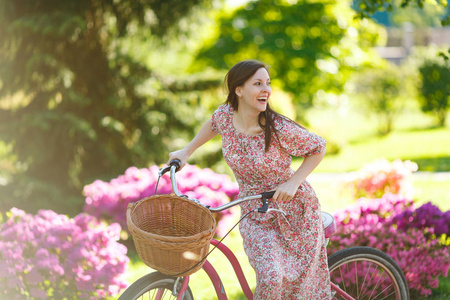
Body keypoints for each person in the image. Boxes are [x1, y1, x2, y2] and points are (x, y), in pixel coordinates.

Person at [168, 60, 331, 299]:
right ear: (239, 90)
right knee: (271, 276)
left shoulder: (277, 128)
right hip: (255, 210)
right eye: (258, 83)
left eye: (268, 83)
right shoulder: (226, 116)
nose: (267, 89)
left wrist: (293, 182)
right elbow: (212, 125)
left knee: (292, 285)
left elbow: (319, 147)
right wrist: (187, 151)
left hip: (294, 210)